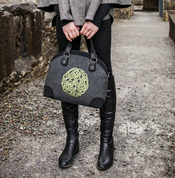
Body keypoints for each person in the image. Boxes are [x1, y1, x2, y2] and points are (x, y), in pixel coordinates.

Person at [38, 0, 131, 171]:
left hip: (99, 14)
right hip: (65, 13)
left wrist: (96, 19)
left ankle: (106, 141)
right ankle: (72, 140)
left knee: (105, 74)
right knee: (67, 73)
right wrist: (65, 20)